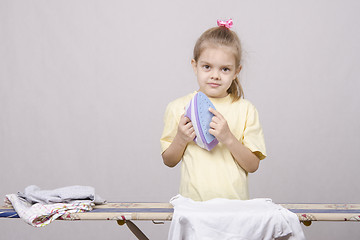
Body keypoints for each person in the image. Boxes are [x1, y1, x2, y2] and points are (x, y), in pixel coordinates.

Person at [160, 19, 266, 201]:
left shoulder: (246, 110)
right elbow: (169, 161)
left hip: (235, 208)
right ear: (195, 66)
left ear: (236, 72)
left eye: (225, 69)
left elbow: (253, 165)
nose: (215, 75)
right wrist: (181, 138)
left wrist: (228, 138)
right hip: (193, 207)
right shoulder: (178, 107)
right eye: (207, 67)